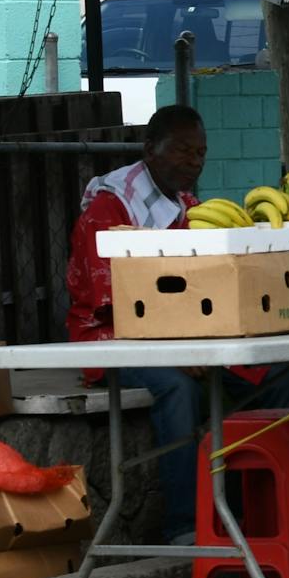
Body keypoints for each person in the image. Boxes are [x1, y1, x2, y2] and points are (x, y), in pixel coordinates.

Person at [65, 105, 217, 541]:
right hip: (111, 338)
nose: (195, 162)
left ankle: (239, 511)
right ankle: (184, 525)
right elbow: (115, 302)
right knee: (178, 387)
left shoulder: (188, 204)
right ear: (150, 150)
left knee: (264, 375)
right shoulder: (110, 207)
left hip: (181, 333)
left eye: (201, 153)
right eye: (184, 151)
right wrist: (175, 350)